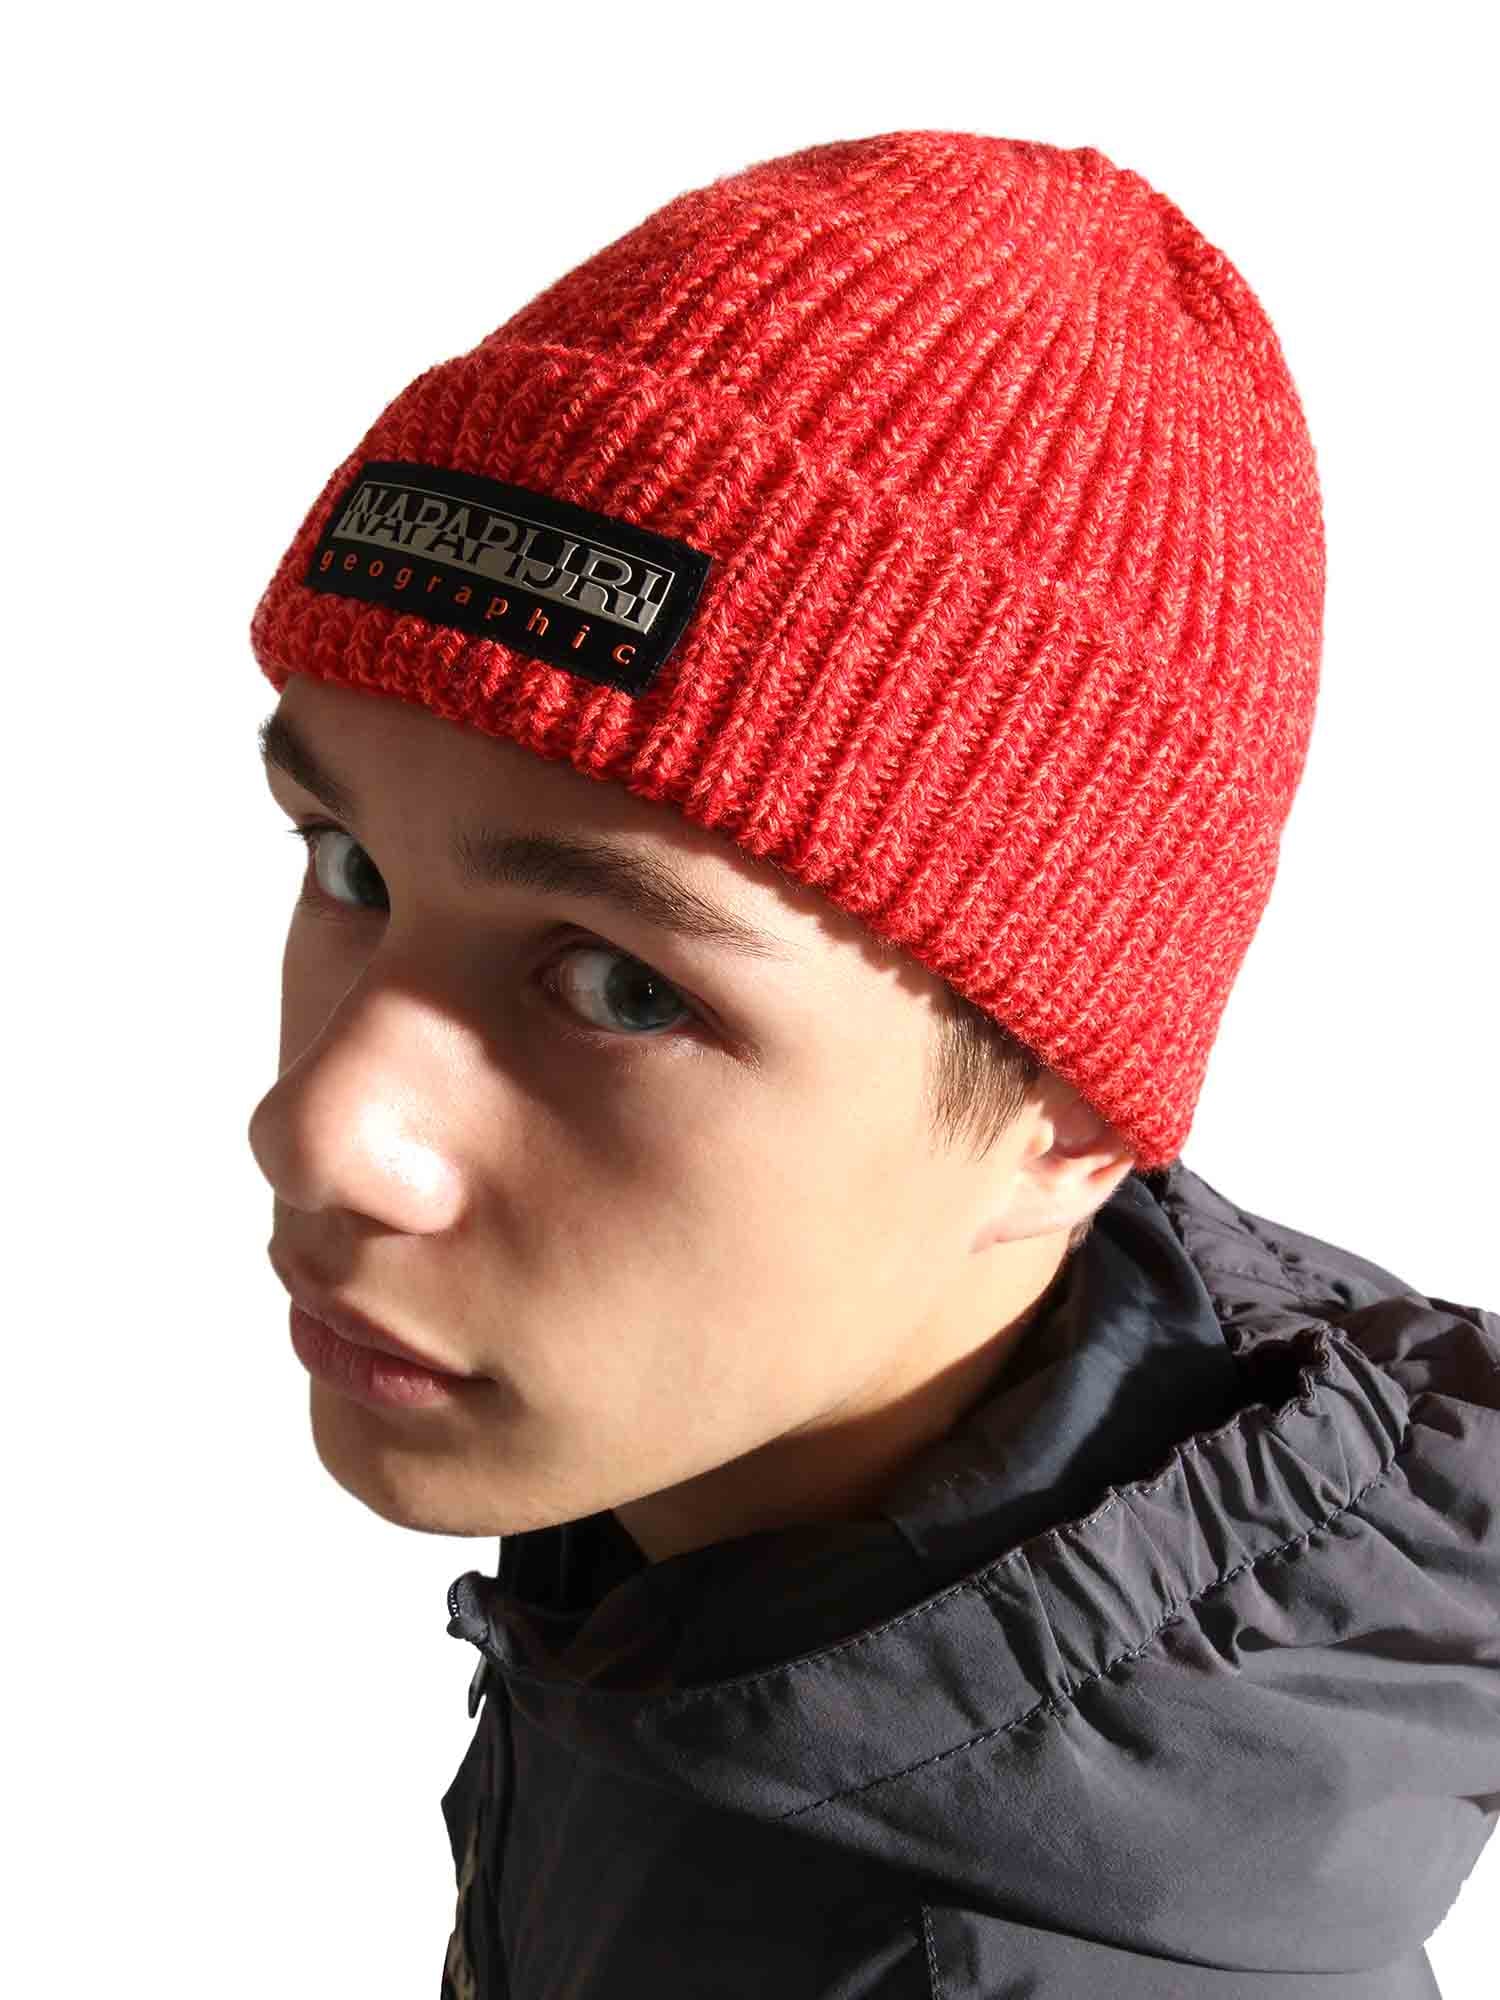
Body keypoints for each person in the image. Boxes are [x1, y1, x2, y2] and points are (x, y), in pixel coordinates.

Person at [244, 130, 1500, 1997]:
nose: (321, 1128)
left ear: (1069, 1125)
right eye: (349, 865)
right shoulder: (733, 1578)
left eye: (621, 986)